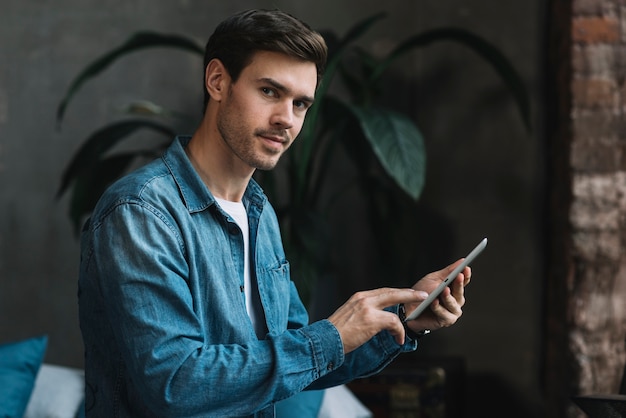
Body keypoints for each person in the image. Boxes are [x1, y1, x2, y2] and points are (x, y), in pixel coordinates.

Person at [78, 8, 472, 418]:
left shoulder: (258, 211)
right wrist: (330, 336)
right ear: (217, 81)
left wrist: (404, 320)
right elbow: (177, 385)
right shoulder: (141, 212)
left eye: (301, 104)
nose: (286, 119)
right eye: (269, 91)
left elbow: (295, 362)